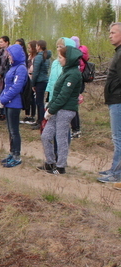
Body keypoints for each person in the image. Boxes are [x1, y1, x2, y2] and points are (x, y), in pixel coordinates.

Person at [39, 45, 82, 175]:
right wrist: (50, 105)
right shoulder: (66, 71)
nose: (59, 60)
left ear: (68, 59)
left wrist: (50, 110)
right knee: (46, 136)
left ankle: (60, 166)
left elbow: (64, 96)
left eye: (61, 57)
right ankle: (50, 162)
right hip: (56, 108)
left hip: (66, 110)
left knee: (61, 137)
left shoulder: (73, 74)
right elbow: (57, 93)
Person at [0, 44, 27, 167]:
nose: (8, 56)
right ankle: (12, 152)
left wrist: (3, 99)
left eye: (10, 54)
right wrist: (1, 99)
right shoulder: (12, 67)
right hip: (8, 103)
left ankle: (17, 156)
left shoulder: (21, 68)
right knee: (10, 130)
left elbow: (16, 88)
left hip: (14, 104)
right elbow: (7, 85)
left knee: (14, 131)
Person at [99, 22, 121, 183]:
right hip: (115, 100)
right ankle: (114, 169)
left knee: (118, 138)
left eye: (113, 32)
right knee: (117, 137)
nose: (110, 35)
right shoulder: (118, 52)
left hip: (118, 100)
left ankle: (117, 174)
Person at [31, 40, 51, 128]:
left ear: (39, 46)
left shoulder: (39, 57)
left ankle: (40, 121)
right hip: (44, 80)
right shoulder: (46, 56)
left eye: (36, 46)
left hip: (39, 81)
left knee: (39, 102)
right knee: (40, 101)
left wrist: (33, 84)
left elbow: (35, 72)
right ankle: (39, 120)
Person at [0, 36, 10, 120]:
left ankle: (4, 112)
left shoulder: (9, 52)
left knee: (4, 94)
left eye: (1, 42)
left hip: (4, 76)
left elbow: (8, 66)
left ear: (7, 42)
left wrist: (2, 74)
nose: (0, 44)